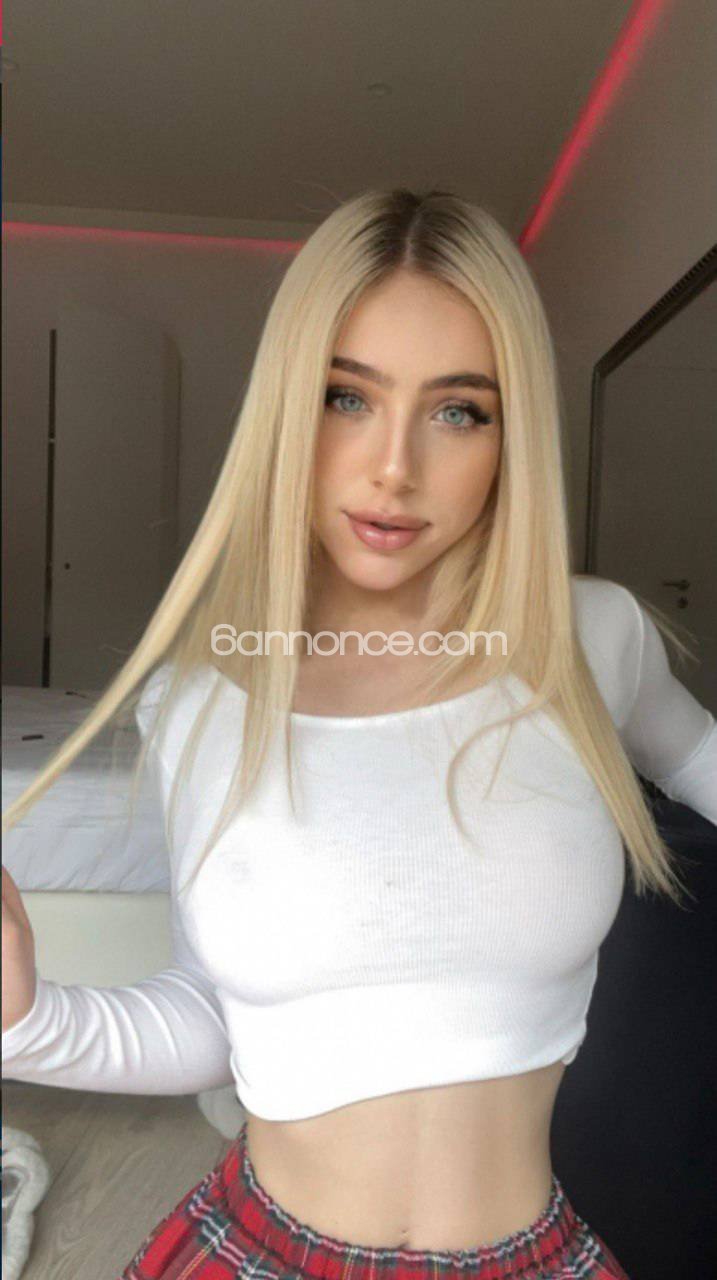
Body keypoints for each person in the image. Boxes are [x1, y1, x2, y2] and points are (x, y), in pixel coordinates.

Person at [3, 188, 716, 1280]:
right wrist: (25, 1023)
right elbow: (217, 1017)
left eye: (458, 410)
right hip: (253, 1248)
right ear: (286, 409)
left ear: (512, 434)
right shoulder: (199, 699)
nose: (394, 466)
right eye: (346, 396)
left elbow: (698, 758)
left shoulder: (590, 639)